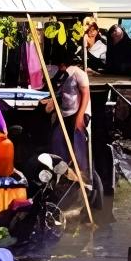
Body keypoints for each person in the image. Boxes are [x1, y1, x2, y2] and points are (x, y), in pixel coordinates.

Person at [47, 48, 98, 208]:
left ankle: (83, 179)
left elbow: (85, 94)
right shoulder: (59, 74)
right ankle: (64, 174)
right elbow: (58, 92)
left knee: (78, 145)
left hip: (79, 112)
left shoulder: (78, 74)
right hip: (65, 113)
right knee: (57, 140)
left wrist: (80, 116)